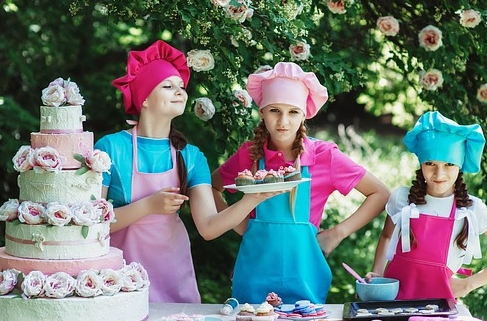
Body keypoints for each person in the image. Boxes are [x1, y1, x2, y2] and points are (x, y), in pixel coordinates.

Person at [95, 40, 280, 303]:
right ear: (144, 98)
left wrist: (254, 198)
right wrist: (149, 205)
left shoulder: (191, 156)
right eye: (168, 86)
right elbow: (90, 225)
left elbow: (208, 227)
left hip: (172, 273)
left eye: (181, 87)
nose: (180, 91)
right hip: (119, 277)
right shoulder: (110, 148)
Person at [211, 62, 391, 304]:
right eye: (275, 110)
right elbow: (211, 186)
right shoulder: (249, 155)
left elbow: (380, 194)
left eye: (293, 112)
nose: (283, 121)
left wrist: (337, 234)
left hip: (305, 278)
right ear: (262, 112)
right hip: (253, 276)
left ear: (304, 114)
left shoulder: (324, 156)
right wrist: (238, 222)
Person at [365, 111, 487, 302]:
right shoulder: (401, 198)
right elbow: (387, 236)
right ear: (421, 164)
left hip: (438, 307)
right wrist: (378, 275)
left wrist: (468, 284)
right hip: (393, 302)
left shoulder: (472, 209)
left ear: (460, 165)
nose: (439, 173)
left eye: (449, 164)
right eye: (430, 163)